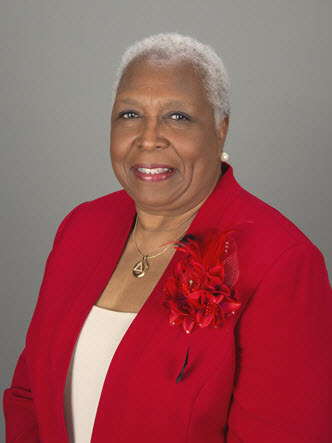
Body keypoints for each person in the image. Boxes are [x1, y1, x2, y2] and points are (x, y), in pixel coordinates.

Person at [3, 32, 332, 443]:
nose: (149, 138)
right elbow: (28, 396)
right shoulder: (80, 227)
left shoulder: (281, 262)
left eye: (177, 116)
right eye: (130, 115)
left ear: (220, 128)